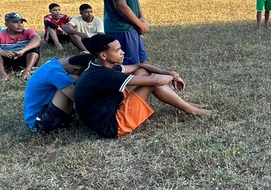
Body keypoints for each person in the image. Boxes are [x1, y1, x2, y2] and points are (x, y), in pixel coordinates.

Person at [74, 34, 212, 138]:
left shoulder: (99, 66)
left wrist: (169, 73)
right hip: (110, 126)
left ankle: (188, 105)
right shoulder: (102, 74)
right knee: (151, 83)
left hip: (107, 109)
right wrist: (173, 77)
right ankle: (192, 110)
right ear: (104, 55)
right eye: (117, 50)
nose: (122, 52)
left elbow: (140, 66)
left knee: (142, 72)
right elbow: (156, 81)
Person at [23, 53, 93, 133]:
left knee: (71, 79)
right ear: (77, 69)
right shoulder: (55, 73)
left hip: (37, 114)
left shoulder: (59, 62)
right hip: (39, 123)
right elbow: (78, 99)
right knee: (71, 85)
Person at [0, 12, 42, 81]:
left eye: (21, 22)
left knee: (34, 48)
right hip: (7, 60)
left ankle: (27, 71)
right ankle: (3, 75)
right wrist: (1, 51)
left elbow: (37, 39)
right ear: (6, 24)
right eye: (15, 22)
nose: (19, 25)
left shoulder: (28, 31)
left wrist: (23, 50)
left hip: (24, 58)